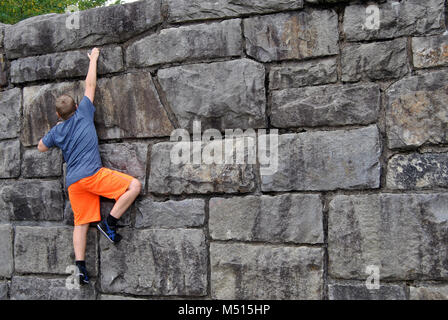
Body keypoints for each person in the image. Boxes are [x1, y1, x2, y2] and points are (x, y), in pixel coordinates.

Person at [37, 48, 142, 285]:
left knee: (81, 223)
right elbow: (90, 85)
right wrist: (93, 58)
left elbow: (40, 147)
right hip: (93, 176)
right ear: (76, 107)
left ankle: (81, 269)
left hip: (74, 183)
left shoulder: (56, 131)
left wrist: (54, 130)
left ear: (57, 113)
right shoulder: (84, 112)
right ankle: (110, 223)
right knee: (134, 186)